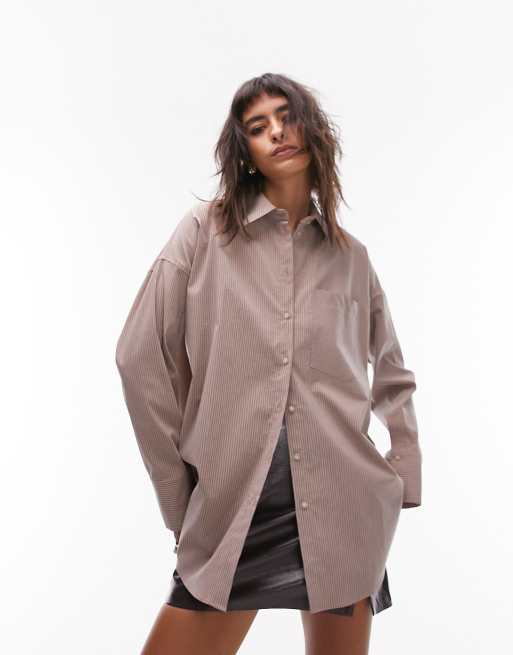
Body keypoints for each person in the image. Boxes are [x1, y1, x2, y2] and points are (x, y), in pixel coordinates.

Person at [115, 72, 422, 655]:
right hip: (234, 505)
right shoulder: (204, 233)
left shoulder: (350, 257)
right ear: (245, 152)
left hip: (344, 501)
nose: (277, 132)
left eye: (287, 116)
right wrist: (179, 497)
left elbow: (391, 370)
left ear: (312, 130)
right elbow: (138, 358)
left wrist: (403, 469)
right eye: (258, 127)